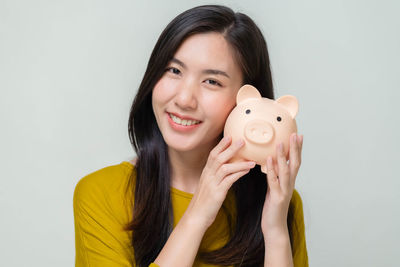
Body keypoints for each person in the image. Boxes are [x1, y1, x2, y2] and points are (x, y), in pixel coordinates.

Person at [73, 5, 308, 267]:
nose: (184, 99)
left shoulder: (279, 201)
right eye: (174, 70)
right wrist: (198, 214)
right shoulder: (101, 193)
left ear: (248, 100)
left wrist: (275, 233)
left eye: (212, 81)